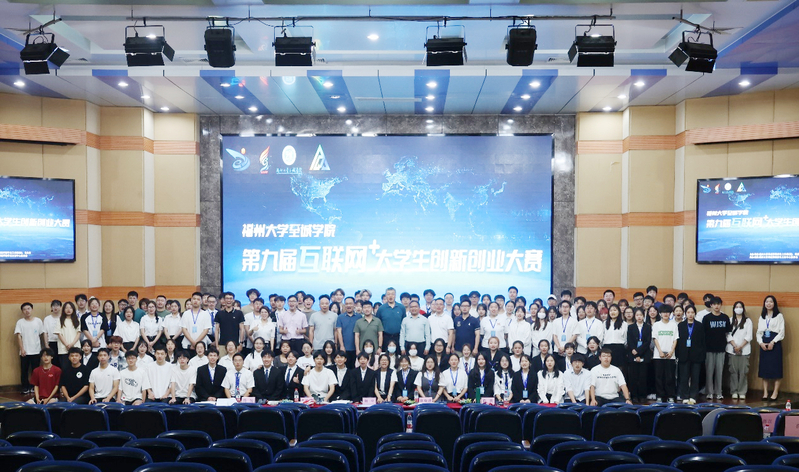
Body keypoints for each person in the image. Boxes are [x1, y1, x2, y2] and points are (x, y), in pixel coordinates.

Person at [703, 296, 731, 400]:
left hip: (721, 349)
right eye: (714, 304)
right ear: (711, 305)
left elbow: (728, 333)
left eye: (718, 304)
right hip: (709, 349)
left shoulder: (725, 317)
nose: (716, 306)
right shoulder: (706, 318)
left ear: (721, 305)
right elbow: (703, 334)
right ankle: (709, 392)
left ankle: (719, 392)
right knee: (709, 372)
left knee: (719, 372)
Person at [757, 295, 785, 401]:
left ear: (774, 304)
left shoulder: (779, 316)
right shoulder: (762, 316)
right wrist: (760, 343)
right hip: (764, 343)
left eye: (771, 301)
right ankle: (765, 392)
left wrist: (773, 342)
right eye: (767, 301)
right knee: (764, 369)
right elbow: (759, 332)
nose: (768, 303)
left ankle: (775, 392)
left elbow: (782, 332)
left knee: (776, 368)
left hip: (775, 343)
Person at [677, 304, 705, 405]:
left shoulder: (699, 325)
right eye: (688, 312)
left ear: (695, 313)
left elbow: (703, 341)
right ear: (685, 314)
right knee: (684, 377)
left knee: (695, 377)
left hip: (696, 355)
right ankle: (684, 396)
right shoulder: (680, 325)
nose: (690, 314)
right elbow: (678, 341)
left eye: (692, 312)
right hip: (683, 355)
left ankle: (693, 396)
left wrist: (702, 355)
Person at [16, 302, 45, 394]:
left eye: (28, 309)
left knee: (35, 370)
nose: (27, 311)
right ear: (22, 311)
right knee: (24, 370)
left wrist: (43, 347)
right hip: (24, 351)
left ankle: (34, 386)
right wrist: (22, 349)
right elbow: (19, 336)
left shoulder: (38, 321)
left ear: (32, 309)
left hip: (36, 350)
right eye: (24, 309)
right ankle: (25, 387)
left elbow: (42, 334)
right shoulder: (20, 322)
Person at [652, 305, 679, 402]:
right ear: (660, 314)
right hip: (658, 355)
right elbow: (655, 338)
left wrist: (671, 351)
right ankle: (659, 396)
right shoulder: (656, 325)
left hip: (670, 356)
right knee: (658, 377)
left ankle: (670, 396)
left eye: (667, 312)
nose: (665, 314)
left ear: (670, 313)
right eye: (663, 312)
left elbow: (675, 339)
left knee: (670, 377)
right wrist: (660, 351)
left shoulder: (673, 325)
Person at [626, 308, 651, 403]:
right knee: (633, 377)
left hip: (644, 354)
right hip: (632, 354)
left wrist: (638, 352)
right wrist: (634, 351)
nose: (639, 317)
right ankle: (634, 396)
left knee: (643, 377)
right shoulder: (631, 327)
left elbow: (647, 342)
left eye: (641, 315)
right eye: (637, 315)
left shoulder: (648, 327)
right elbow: (630, 341)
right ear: (634, 316)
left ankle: (643, 396)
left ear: (643, 316)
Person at [375, 288, 405, 352]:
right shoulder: (381, 308)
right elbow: (378, 323)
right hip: (385, 336)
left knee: (398, 355)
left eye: (392, 294)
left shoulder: (401, 307)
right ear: (386, 296)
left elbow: (404, 322)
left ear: (395, 295)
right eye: (388, 294)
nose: (390, 296)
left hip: (398, 336)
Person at [335, 297, 362, 368]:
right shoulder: (340, 317)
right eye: (346, 304)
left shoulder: (359, 317)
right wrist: (342, 346)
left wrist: (358, 348)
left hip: (356, 348)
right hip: (345, 348)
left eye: (350, 303)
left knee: (355, 368)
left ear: (354, 305)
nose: (348, 305)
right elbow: (339, 332)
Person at [57, 302, 82, 368]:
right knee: (65, 368)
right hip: (63, 349)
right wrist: (67, 345)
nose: (68, 309)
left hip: (75, 347)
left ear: (73, 309)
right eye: (66, 308)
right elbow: (59, 334)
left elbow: (78, 333)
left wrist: (72, 344)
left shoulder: (77, 320)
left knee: (76, 368)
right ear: (63, 310)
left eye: (70, 308)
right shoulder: (60, 320)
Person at [604, 304, 627, 369]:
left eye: (615, 310)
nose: (612, 312)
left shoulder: (624, 324)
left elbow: (625, 338)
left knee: (619, 368)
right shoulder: (605, 323)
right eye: (611, 310)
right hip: (607, 348)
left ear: (619, 312)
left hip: (619, 348)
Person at [44, 301, 62, 368]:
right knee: (53, 362)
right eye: (53, 306)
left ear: (60, 307)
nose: (55, 307)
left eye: (57, 305)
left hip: (62, 343)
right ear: (51, 307)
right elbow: (45, 332)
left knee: (61, 362)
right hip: (51, 342)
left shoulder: (63, 317)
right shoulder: (47, 319)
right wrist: (46, 345)